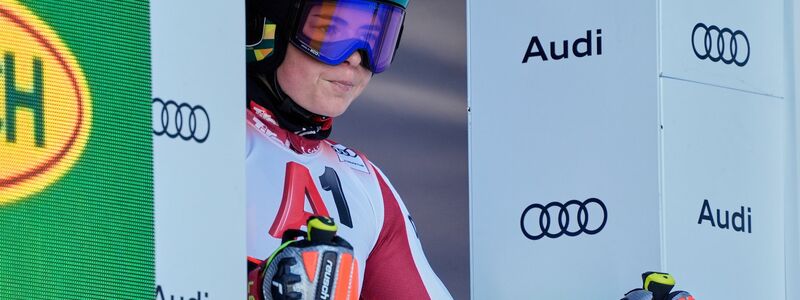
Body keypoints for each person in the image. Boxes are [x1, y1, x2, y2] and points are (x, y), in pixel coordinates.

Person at [244, 0, 453, 299]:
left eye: (374, 39)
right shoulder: (196, 141)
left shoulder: (367, 185)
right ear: (264, 26)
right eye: (330, 31)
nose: (355, 57)